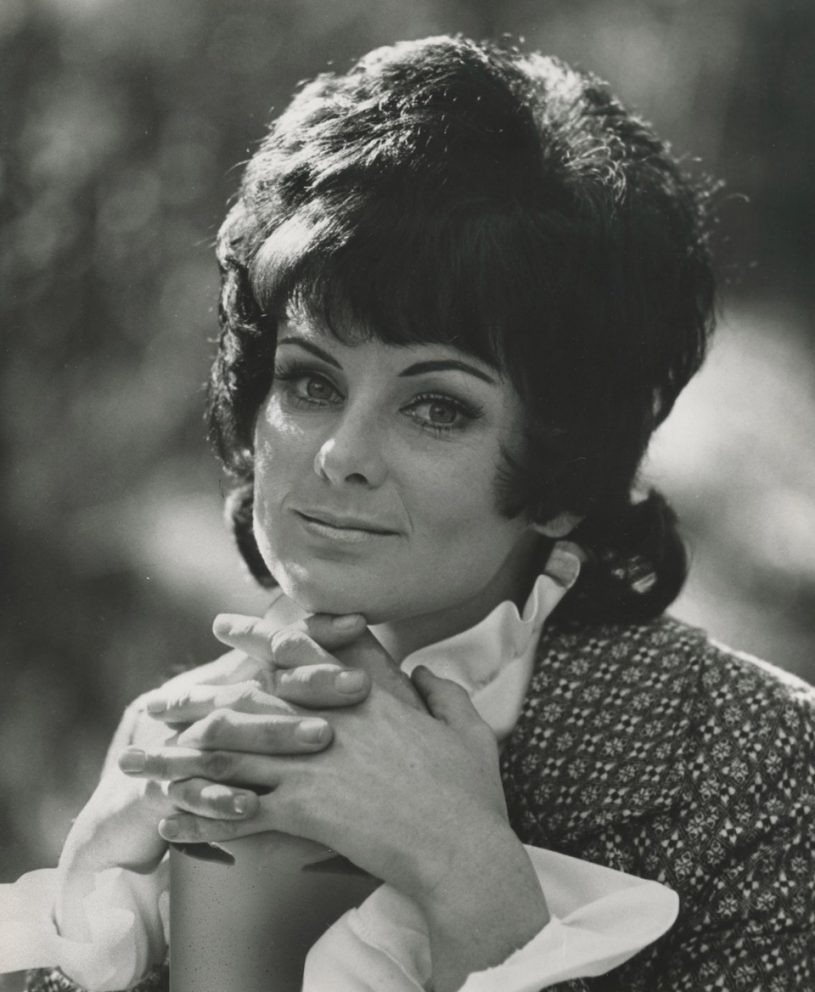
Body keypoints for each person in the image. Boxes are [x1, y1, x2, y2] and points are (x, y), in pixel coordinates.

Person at [2, 34, 814, 992]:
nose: (340, 454)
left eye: (437, 408)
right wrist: (93, 885)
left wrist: (463, 871)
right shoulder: (181, 736)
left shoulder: (762, 772)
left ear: (563, 473)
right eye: (309, 383)